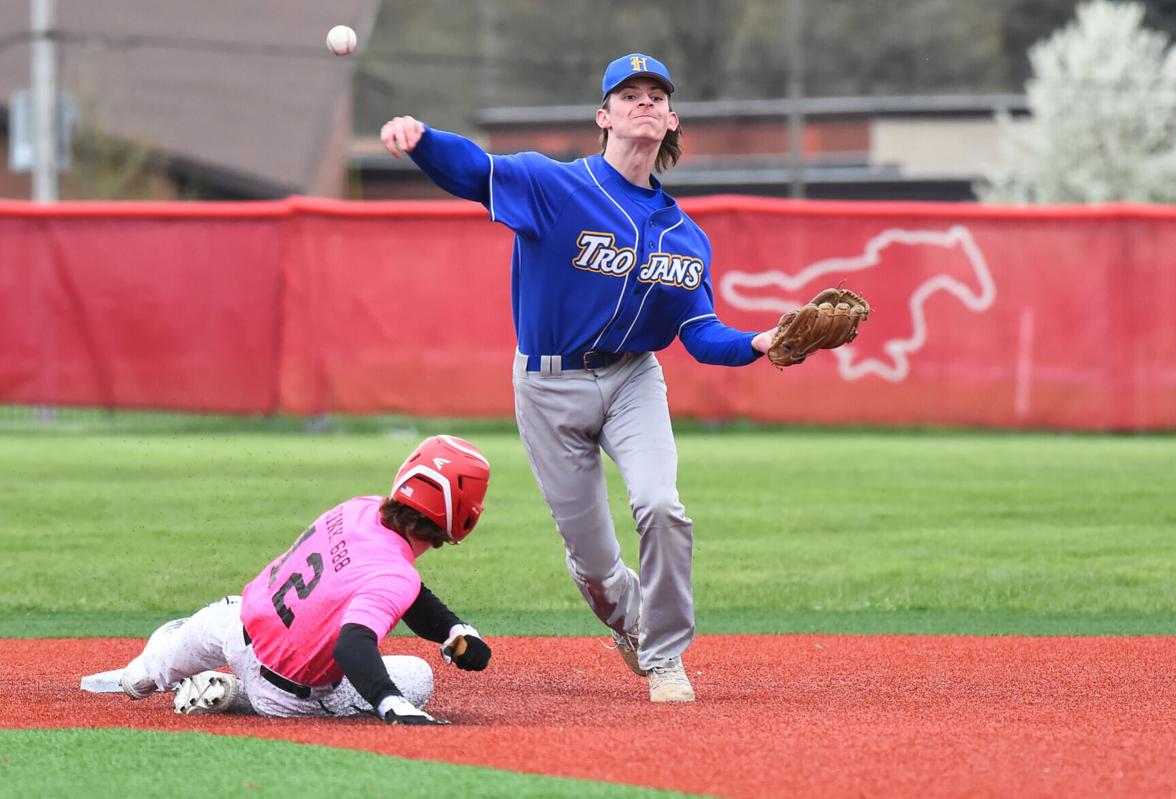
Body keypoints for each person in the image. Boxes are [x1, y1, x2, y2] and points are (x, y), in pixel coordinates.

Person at [380, 53, 778, 704]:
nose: (644, 101)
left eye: (656, 95)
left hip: (632, 381)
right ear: (604, 116)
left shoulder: (686, 236)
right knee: (593, 563)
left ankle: (666, 654)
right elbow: (475, 171)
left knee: (661, 505)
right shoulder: (552, 186)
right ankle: (629, 621)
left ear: (671, 119)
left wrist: (759, 342)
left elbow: (701, 333)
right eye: (629, 95)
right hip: (547, 385)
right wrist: (421, 140)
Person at [118, 435, 493, 724]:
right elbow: (353, 645)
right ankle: (238, 697)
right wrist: (390, 703)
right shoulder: (396, 575)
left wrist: (454, 629)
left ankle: (148, 670)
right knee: (416, 677)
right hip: (283, 695)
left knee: (164, 658)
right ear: (462, 515)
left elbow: (401, 590)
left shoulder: (360, 508)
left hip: (234, 627)